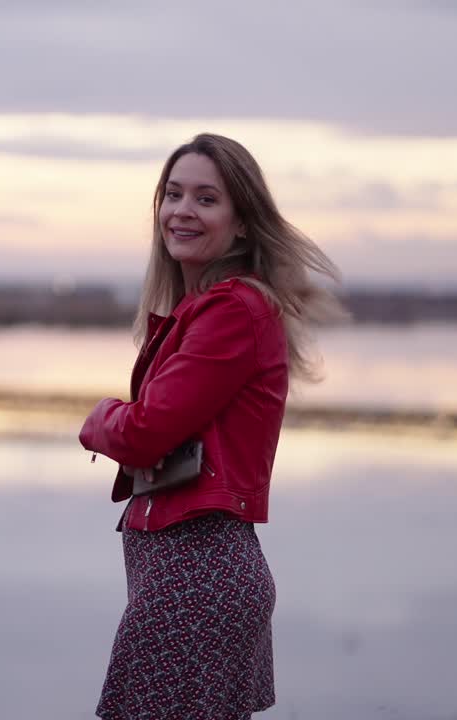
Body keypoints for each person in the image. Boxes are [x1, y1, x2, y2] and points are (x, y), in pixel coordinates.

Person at [79, 133, 345, 719]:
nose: (182, 211)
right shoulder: (205, 310)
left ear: (243, 222)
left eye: (206, 199)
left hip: (198, 575)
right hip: (189, 574)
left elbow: (144, 433)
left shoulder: (232, 311)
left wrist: (99, 419)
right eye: (173, 195)